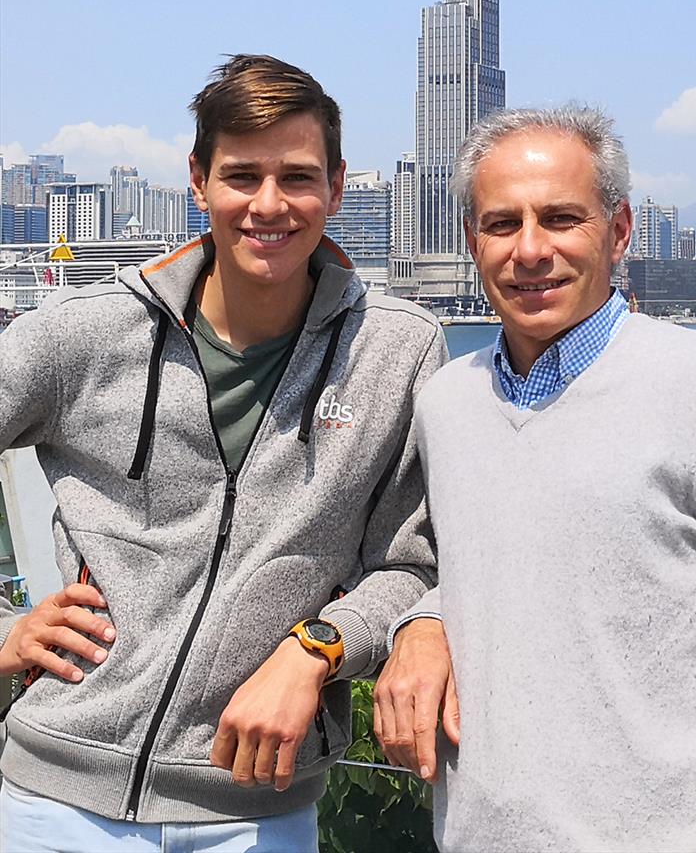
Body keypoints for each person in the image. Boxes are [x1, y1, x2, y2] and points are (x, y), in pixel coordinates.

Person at [0, 54, 447, 852]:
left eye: (298, 177)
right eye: (242, 175)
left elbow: (410, 562)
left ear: (337, 188)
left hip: (258, 808)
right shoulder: (86, 333)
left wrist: (319, 650)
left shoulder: (398, 351)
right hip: (53, 801)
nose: (269, 205)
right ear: (198, 182)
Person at [374, 105, 696, 853]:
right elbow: (478, 562)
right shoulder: (447, 402)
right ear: (472, 241)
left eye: (562, 219)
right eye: (502, 224)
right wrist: (424, 622)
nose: (530, 250)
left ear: (620, 230)